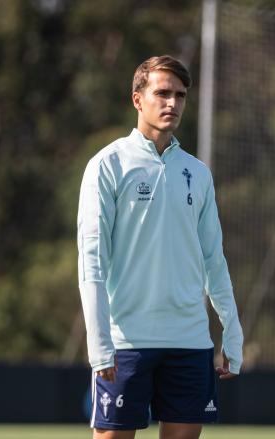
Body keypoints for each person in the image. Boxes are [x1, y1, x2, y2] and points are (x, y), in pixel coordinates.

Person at [77, 55, 243, 439]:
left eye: (180, 95)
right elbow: (92, 261)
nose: (172, 103)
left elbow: (214, 260)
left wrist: (231, 330)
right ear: (138, 99)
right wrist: (99, 341)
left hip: (189, 342)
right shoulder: (107, 165)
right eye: (162, 93)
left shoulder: (198, 173)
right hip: (125, 342)